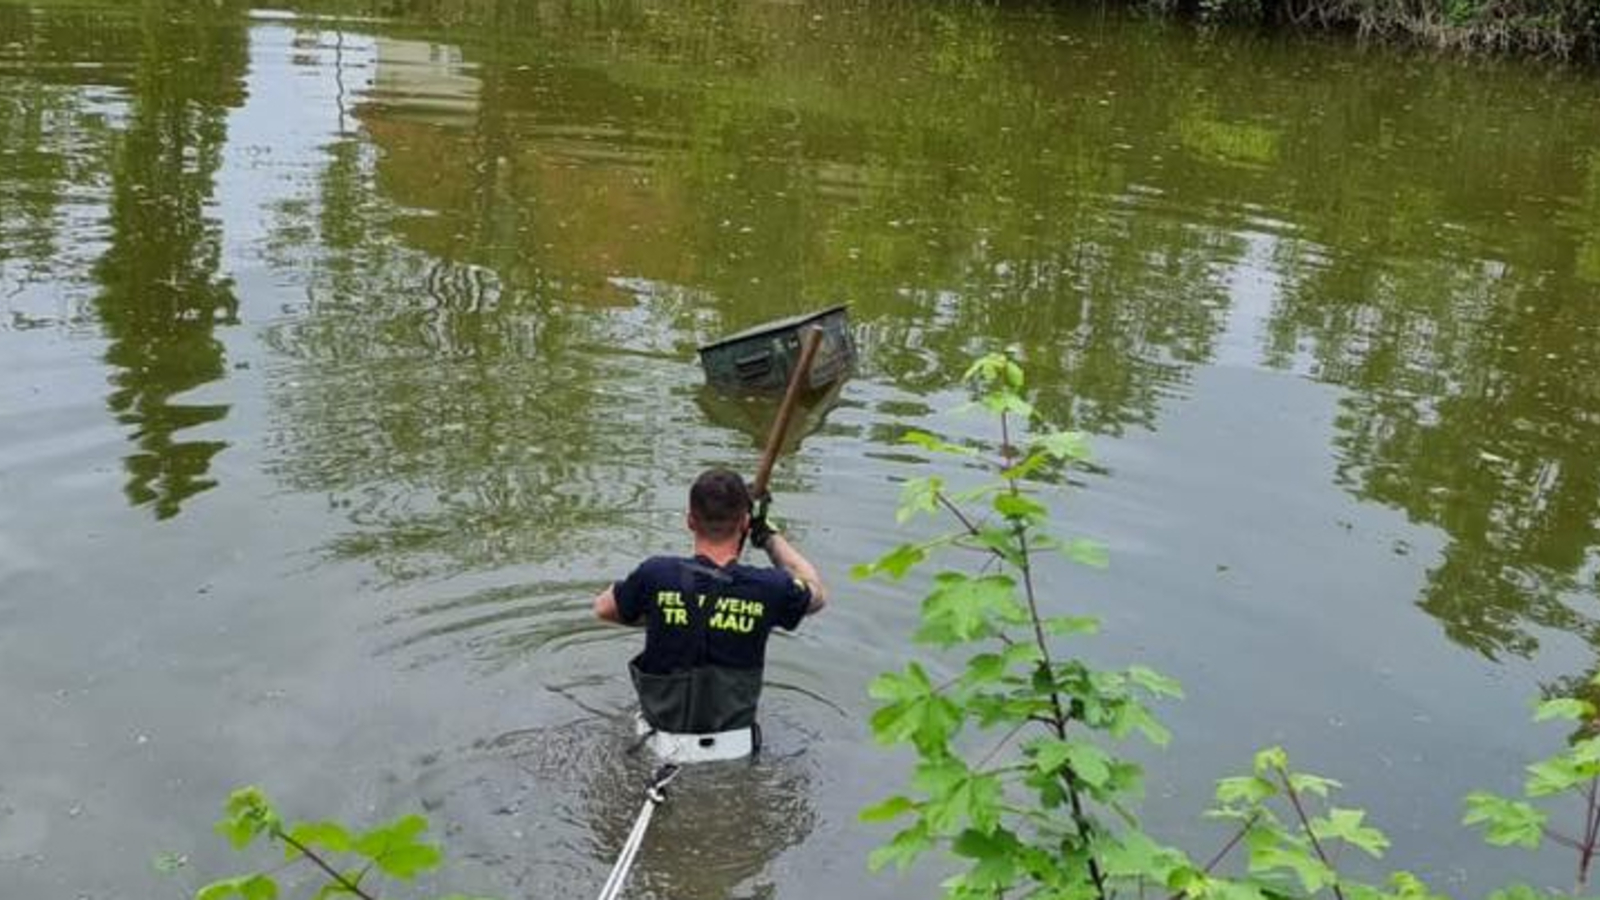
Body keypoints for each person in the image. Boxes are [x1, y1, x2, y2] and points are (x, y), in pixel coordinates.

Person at [593, 467, 828, 745]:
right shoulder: (769, 588)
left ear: (690, 520)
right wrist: (767, 535)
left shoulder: (655, 575)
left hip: (656, 747)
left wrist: (665, 615)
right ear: (743, 524)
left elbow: (603, 608)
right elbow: (816, 593)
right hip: (734, 754)